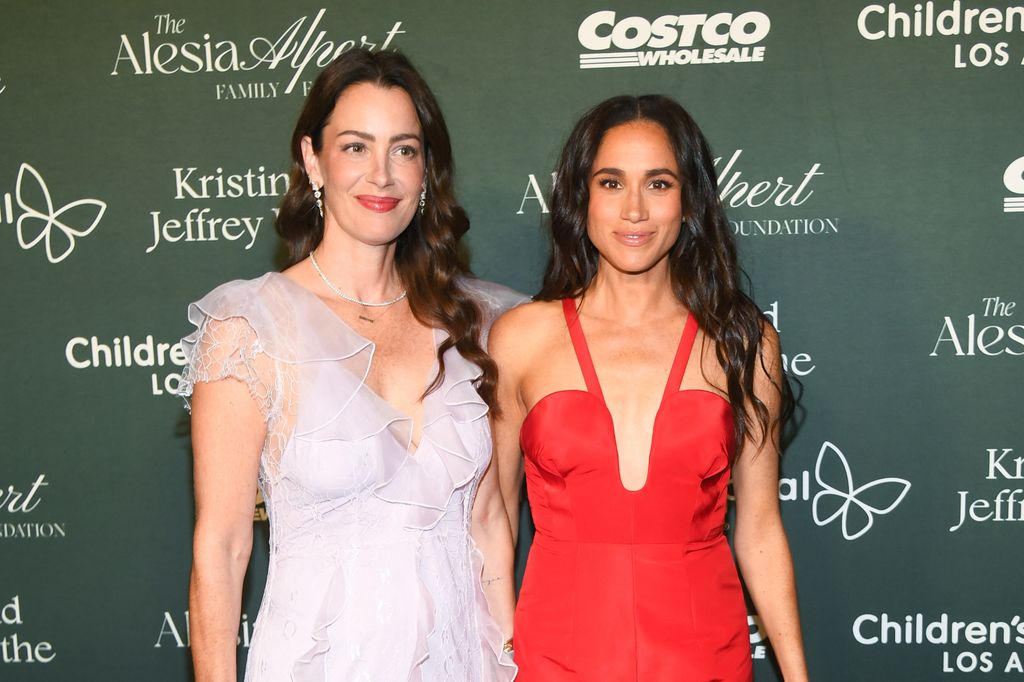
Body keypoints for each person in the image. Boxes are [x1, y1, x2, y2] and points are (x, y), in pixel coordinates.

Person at [178, 49, 519, 682]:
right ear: (313, 158)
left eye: (405, 149)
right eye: (357, 147)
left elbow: (491, 522)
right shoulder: (250, 327)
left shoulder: (481, 324)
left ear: (427, 169)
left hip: (463, 661)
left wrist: (510, 664)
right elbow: (221, 551)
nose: (382, 175)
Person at [492, 95, 809, 681]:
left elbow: (760, 528)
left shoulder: (744, 342)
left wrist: (796, 675)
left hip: (703, 655)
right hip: (555, 657)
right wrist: (499, 650)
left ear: (689, 201)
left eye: (658, 183)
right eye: (611, 183)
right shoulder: (521, 339)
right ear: (579, 199)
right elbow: (496, 517)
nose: (633, 209)